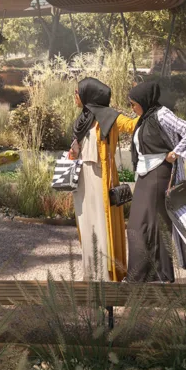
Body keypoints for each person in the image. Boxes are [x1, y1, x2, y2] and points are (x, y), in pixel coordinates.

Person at [124, 82, 186, 282]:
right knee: (139, 225)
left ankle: (150, 275)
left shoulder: (161, 114)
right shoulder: (145, 118)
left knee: (152, 225)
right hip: (146, 174)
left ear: (144, 100)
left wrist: (176, 153)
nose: (132, 107)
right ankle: (149, 274)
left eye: (133, 103)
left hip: (159, 174)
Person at [68, 77, 135, 282]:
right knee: (86, 222)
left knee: (101, 223)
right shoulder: (83, 119)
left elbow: (133, 125)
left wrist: (151, 109)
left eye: (77, 92)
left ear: (89, 94)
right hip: (82, 178)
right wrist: (74, 150)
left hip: (100, 177)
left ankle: (107, 273)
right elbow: (79, 145)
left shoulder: (111, 117)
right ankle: (91, 272)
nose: (75, 96)